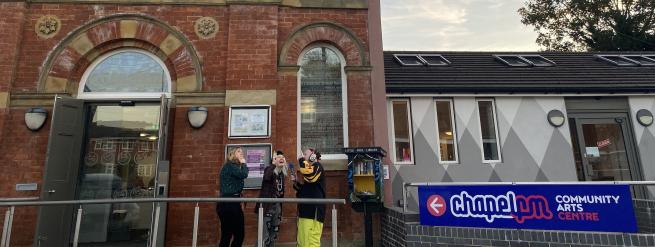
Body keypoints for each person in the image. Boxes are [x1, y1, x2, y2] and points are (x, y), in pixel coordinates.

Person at [254, 150, 289, 247]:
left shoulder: (281, 174)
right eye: (279, 157)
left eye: (283, 157)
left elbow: (280, 194)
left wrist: (280, 212)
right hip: (266, 207)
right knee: (264, 237)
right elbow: (266, 177)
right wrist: (273, 164)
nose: (281, 158)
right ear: (274, 160)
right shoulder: (269, 170)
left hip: (276, 208)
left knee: (273, 236)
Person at [217, 146, 248, 247]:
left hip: (232, 203)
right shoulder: (230, 166)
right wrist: (243, 163)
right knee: (229, 234)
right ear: (232, 154)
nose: (241, 153)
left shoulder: (232, 166)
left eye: (242, 151)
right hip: (228, 203)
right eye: (238, 151)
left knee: (236, 234)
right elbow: (243, 174)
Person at [293, 148, 326, 247]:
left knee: (311, 241)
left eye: (305, 154)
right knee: (302, 240)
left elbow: (310, 175)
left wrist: (301, 160)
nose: (303, 156)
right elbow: (306, 189)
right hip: (305, 210)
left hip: (313, 211)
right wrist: (296, 182)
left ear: (313, 156)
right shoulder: (311, 169)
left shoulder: (317, 166)